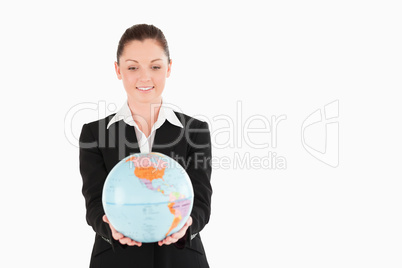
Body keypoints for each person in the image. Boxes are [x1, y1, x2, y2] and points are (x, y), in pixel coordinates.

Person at [79, 24, 212, 268]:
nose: (144, 77)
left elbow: (202, 201)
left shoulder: (195, 131)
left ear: (169, 68)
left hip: (180, 260)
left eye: (155, 66)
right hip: (116, 260)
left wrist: (187, 225)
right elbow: (94, 204)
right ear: (118, 70)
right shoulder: (94, 133)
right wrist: (109, 228)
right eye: (132, 67)